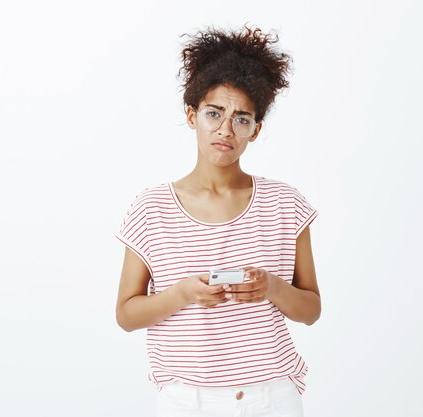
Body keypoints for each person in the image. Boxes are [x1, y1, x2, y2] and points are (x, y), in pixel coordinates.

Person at [114, 24, 320, 417]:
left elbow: (311, 310)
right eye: (214, 113)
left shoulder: (285, 204)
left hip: (271, 398)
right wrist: (183, 295)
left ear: (256, 130)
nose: (226, 129)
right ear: (192, 116)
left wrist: (272, 288)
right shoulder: (151, 208)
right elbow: (126, 314)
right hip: (186, 402)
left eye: (242, 119)